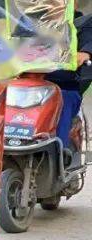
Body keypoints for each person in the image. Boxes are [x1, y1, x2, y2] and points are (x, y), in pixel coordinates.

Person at [45, 12, 92, 159]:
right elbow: (14, 44)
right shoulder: (29, 20)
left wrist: (85, 53)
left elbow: (89, 41)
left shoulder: (82, 21)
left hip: (65, 85)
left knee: (63, 98)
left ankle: (59, 154)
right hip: (30, 82)